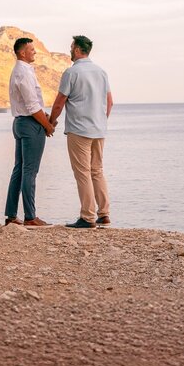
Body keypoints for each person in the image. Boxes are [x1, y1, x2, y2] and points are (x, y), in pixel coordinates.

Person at [49, 35, 113, 229]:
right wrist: (100, 121)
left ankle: (87, 217)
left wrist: (50, 122)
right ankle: (104, 214)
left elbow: (59, 102)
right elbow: (109, 102)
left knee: (83, 173)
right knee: (97, 171)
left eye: (71, 47)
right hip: (99, 130)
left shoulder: (71, 72)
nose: (70, 50)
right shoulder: (101, 72)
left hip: (79, 130)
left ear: (77, 49)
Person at [4, 37, 54, 227]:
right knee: (30, 171)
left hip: (21, 122)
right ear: (22, 52)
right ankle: (30, 217)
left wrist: (44, 117)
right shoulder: (23, 72)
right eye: (31, 49)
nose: (35, 52)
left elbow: (31, 104)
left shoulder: (20, 70)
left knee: (19, 169)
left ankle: (11, 215)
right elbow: (32, 106)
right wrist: (47, 125)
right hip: (29, 124)